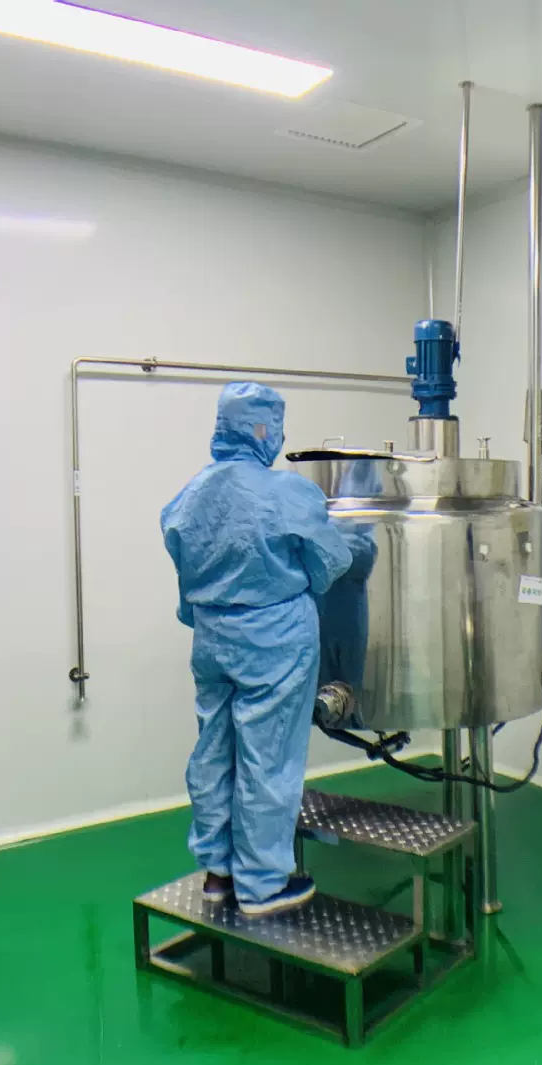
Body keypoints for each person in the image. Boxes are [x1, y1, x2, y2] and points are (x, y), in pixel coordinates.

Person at [160, 382, 352, 917]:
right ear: (264, 429)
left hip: (211, 641)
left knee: (214, 752)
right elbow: (330, 562)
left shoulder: (191, 494)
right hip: (275, 643)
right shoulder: (286, 492)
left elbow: (182, 565)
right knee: (268, 758)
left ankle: (218, 873)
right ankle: (262, 885)